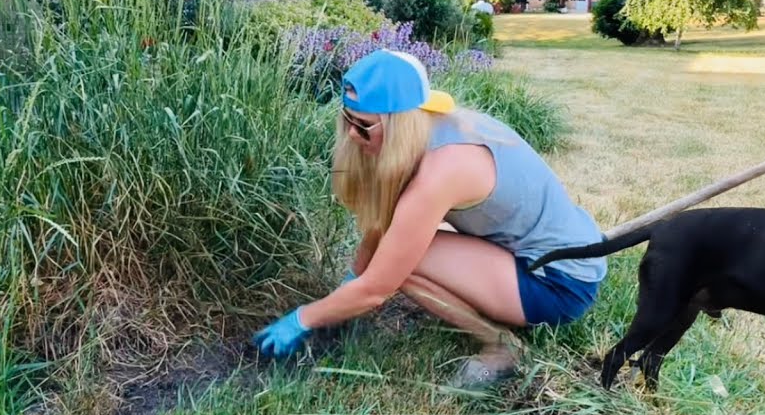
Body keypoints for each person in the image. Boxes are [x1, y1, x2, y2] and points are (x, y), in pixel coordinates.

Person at [253, 49, 608, 388]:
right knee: (394, 255)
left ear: (399, 124)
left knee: (401, 266)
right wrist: (351, 283)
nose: (351, 134)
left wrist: (303, 318)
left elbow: (379, 287)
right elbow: (385, 227)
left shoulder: (443, 171)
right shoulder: (433, 128)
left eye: (362, 127)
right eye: (347, 121)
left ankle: (503, 348)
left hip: (559, 283)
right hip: (547, 256)